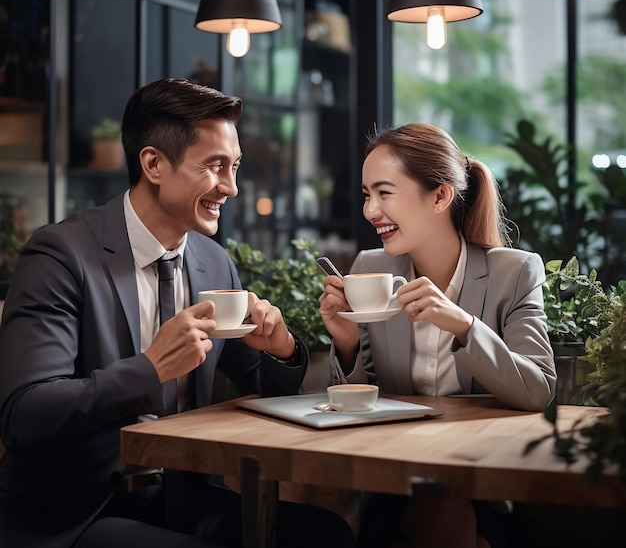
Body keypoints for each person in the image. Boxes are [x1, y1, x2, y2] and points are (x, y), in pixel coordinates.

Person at [0, 78, 355, 548]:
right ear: (153, 164)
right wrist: (149, 369)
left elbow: (261, 392)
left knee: (327, 534)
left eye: (235, 167)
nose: (230, 187)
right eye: (215, 166)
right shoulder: (62, 255)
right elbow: (26, 416)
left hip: (186, 500)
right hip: (78, 513)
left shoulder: (213, 261)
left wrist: (283, 351)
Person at [319, 123, 557, 548]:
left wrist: (462, 325)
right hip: (392, 479)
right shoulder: (369, 269)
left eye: (384, 192)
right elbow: (357, 404)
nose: (370, 211)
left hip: (479, 482)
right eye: (366, 195)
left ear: (440, 196)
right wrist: (347, 342)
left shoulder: (514, 272)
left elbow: (538, 390)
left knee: (446, 512)